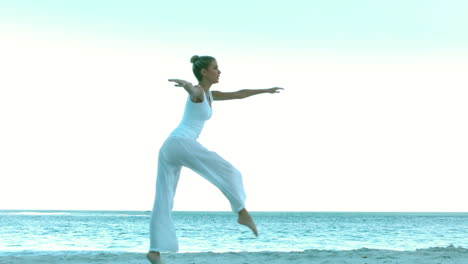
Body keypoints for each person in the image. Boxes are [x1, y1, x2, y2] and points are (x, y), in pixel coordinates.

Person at [147, 55, 284, 264]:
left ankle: (154, 251)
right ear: (204, 72)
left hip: (170, 147)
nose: (219, 71)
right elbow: (193, 92)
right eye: (215, 68)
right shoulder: (199, 91)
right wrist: (186, 85)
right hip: (179, 142)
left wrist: (265, 90)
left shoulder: (211, 95)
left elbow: (240, 94)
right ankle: (241, 212)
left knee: (164, 198)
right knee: (229, 171)